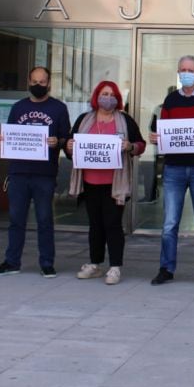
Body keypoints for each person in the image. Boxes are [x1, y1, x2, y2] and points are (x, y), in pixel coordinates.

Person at [148, 55, 194, 288]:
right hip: (174, 169)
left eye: (190, 69)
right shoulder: (170, 100)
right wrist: (156, 137)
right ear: (178, 73)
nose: (186, 73)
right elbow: (161, 128)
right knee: (170, 223)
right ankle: (166, 269)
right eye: (182, 69)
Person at [0, 66, 71, 278]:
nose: (38, 85)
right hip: (18, 171)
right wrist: (1, 140)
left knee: (45, 220)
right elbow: (10, 135)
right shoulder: (18, 107)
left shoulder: (59, 108)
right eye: (34, 81)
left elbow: (67, 139)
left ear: (49, 83)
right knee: (16, 219)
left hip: (44, 173)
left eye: (42, 82)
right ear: (28, 81)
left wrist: (58, 141)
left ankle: (46, 263)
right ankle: (12, 261)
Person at [65, 81, 145, 285]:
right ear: (96, 96)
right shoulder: (85, 120)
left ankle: (115, 267)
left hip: (115, 184)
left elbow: (140, 145)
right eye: (104, 93)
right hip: (90, 181)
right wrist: (69, 146)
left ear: (117, 98)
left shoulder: (125, 121)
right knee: (95, 225)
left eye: (111, 94)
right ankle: (95, 264)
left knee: (113, 225)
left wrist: (130, 146)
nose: (107, 98)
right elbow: (70, 146)